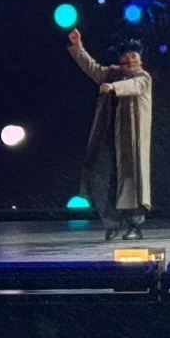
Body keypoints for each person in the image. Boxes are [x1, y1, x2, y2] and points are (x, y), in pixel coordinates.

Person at [67, 29, 153, 241]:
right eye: (127, 56)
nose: (130, 60)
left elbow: (132, 86)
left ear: (140, 59)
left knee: (132, 181)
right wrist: (78, 46)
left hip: (130, 140)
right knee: (102, 179)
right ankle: (112, 223)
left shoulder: (143, 78)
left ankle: (134, 225)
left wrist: (113, 87)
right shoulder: (113, 73)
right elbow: (92, 68)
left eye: (134, 56)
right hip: (108, 138)